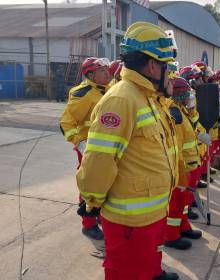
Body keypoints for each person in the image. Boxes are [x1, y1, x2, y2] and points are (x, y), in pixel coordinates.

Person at [76, 22, 179, 280]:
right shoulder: (121, 99)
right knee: (127, 272)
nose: (170, 74)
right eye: (167, 67)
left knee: (147, 263)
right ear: (153, 65)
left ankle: (153, 272)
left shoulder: (146, 97)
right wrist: (92, 202)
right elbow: (99, 160)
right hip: (130, 221)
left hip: (150, 213)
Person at [59, 56, 110, 241]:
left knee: (106, 184)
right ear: (90, 74)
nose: (107, 73)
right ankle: (88, 225)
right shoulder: (84, 93)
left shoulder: (109, 90)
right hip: (89, 148)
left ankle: (101, 216)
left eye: (106, 70)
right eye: (102, 71)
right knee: (90, 186)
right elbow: (66, 122)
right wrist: (80, 143)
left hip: (107, 149)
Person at [165, 77, 204, 251]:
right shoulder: (175, 114)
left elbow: (193, 127)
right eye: (187, 93)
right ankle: (171, 235)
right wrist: (180, 170)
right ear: (179, 95)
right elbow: (176, 146)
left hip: (190, 164)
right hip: (183, 167)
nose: (190, 96)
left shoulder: (182, 111)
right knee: (176, 202)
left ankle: (183, 226)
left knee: (184, 202)